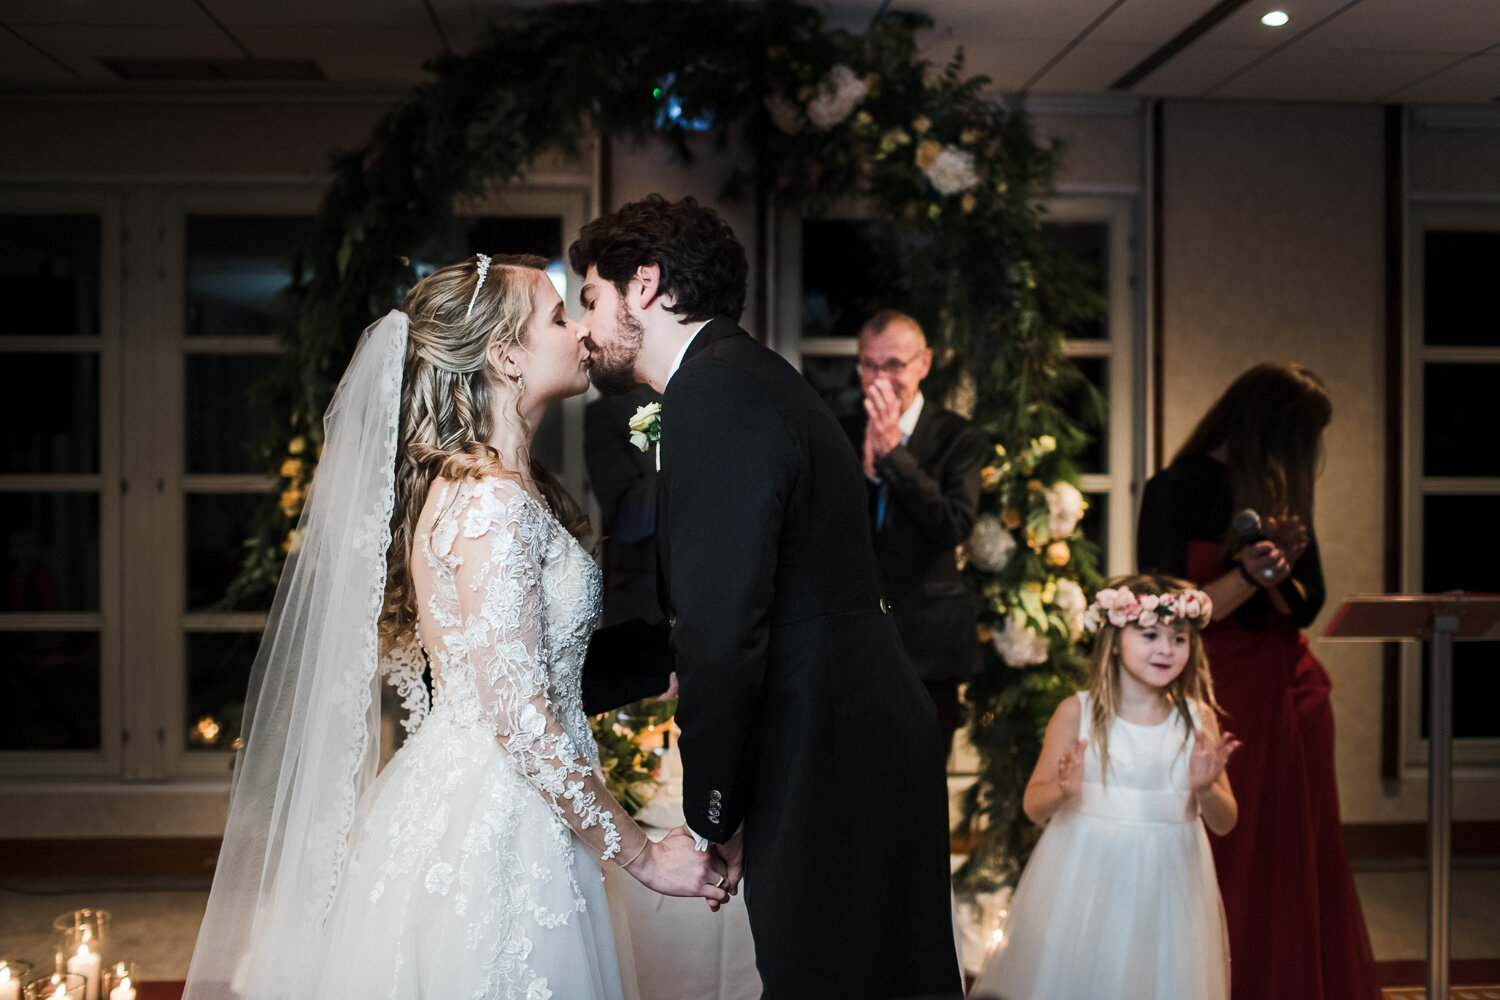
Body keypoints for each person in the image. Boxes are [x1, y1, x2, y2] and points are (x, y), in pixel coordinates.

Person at [181, 254, 727, 1000]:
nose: (580, 334)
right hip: (493, 826)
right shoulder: (489, 504)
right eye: (560, 318)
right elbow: (519, 718)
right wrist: (642, 856)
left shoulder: (499, 486)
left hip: (515, 809)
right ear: (505, 357)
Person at [573, 195, 963, 999]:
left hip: (833, 752)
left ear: (643, 285)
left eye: (589, 299)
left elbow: (724, 628)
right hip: (844, 735)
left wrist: (714, 810)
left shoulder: (714, 394)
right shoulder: (736, 378)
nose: (584, 327)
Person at [1136, 362, 1380, 1000]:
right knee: (1221, 846)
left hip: (1291, 692)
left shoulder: (1276, 497)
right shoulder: (1173, 488)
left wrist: (1278, 573)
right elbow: (1164, 611)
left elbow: (1307, 605)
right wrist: (1247, 574)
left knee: (1292, 860)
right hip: (1217, 691)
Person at [971, 575, 1238, 1000]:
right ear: (1114, 640)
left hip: (1172, 884)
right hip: (1087, 876)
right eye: (1150, 634)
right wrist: (1062, 789)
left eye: (1178, 638)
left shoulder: (1196, 716)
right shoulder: (1076, 712)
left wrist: (1205, 789)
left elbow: (1225, 822)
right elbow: (1033, 808)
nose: (1165, 648)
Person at [840, 309, 990, 756]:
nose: (881, 378)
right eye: (870, 364)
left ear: (923, 363)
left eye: (895, 365)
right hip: (854, 640)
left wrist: (893, 458)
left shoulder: (958, 438)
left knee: (922, 782)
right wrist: (866, 478)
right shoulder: (840, 431)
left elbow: (952, 526)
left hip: (930, 643)